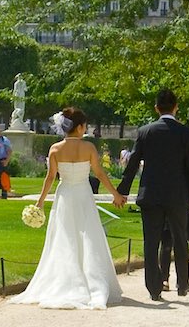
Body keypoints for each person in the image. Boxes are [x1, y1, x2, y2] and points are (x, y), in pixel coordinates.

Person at [9, 107, 126, 309]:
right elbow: (99, 174)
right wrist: (115, 193)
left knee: (64, 238)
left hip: (65, 196)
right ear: (80, 127)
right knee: (89, 236)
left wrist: (40, 202)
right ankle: (92, 283)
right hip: (83, 194)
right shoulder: (89, 148)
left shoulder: (55, 149)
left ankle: (64, 282)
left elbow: (50, 178)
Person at [117, 89, 189, 301]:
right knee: (180, 239)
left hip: (151, 194)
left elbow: (133, 164)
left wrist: (123, 191)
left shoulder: (145, 132)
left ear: (156, 108)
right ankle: (182, 283)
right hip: (177, 195)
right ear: (176, 107)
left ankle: (154, 287)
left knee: (151, 241)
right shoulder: (185, 133)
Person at [160, 160, 189, 292]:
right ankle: (182, 281)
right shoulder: (187, 152)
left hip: (168, 199)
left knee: (167, 241)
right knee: (180, 241)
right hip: (182, 201)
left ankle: (165, 279)